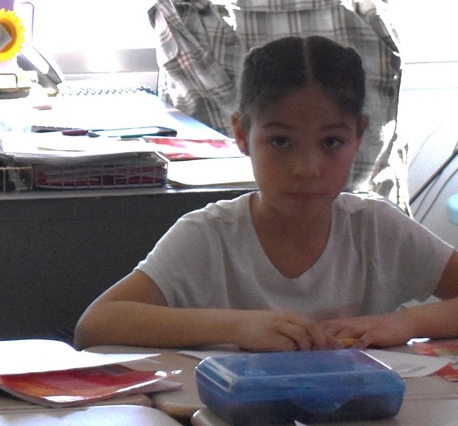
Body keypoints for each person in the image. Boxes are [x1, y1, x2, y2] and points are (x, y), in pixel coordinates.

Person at [75, 35, 458, 352]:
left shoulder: (377, 228)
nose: (306, 169)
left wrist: (402, 322)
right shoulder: (209, 236)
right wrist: (238, 327)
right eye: (280, 141)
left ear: (358, 135)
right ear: (241, 135)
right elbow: (97, 324)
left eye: (330, 142)